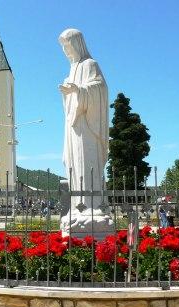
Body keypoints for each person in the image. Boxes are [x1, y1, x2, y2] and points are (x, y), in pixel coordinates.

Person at [58, 28, 108, 212]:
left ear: (77, 44)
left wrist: (78, 90)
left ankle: (93, 207)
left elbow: (100, 89)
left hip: (87, 126)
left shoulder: (90, 65)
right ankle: (77, 206)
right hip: (73, 127)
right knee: (73, 164)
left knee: (87, 164)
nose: (65, 50)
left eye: (67, 45)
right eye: (63, 46)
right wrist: (69, 92)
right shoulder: (71, 70)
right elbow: (69, 103)